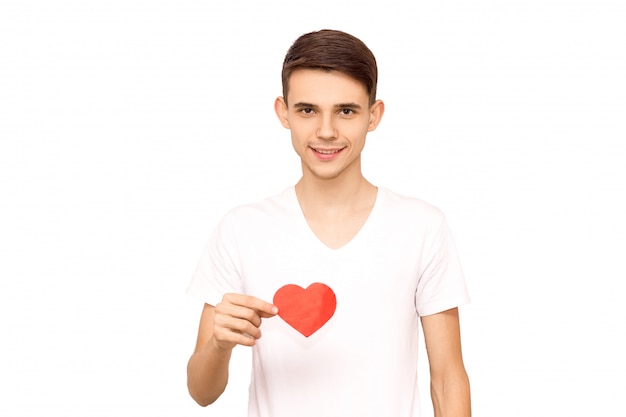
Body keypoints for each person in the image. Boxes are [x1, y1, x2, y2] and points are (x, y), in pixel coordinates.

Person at [186, 29, 471, 417]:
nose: (326, 131)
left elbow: (447, 378)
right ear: (283, 112)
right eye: (307, 110)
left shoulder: (422, 227)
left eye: (346, 110)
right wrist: (219, 346)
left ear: (374, 115)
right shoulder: (241, 230)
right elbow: (202, 393)